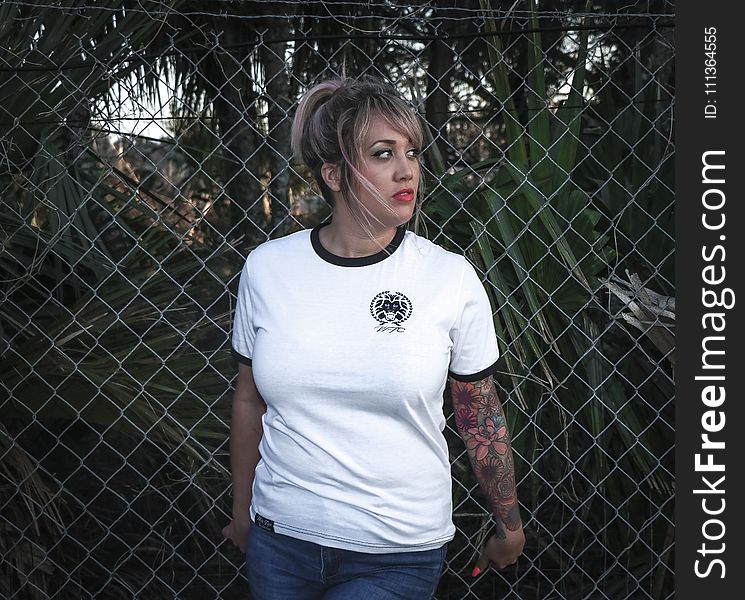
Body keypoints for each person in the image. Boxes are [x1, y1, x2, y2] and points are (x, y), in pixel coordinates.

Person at [222, 75, 525, 599]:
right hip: (281, 539)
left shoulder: (448, 278)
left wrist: (509, 525)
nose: (407, 170)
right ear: (335, 174)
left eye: (411, 152)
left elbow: (479, 412)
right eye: (383, 154)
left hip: (397, 550)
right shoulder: (268, 269)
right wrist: (243, 513)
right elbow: (249, 399)